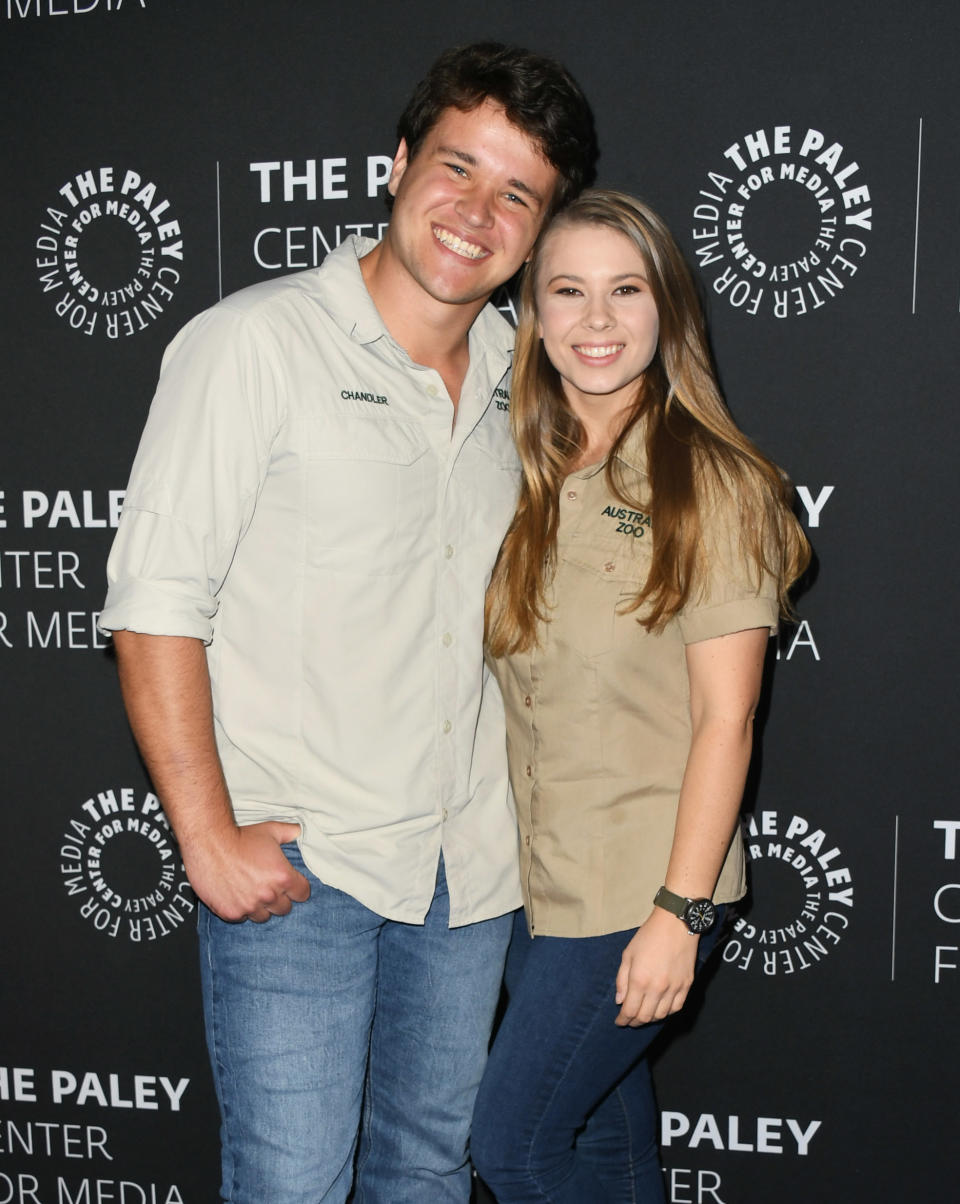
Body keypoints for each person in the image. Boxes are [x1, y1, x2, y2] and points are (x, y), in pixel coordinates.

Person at [98, 43, 597, 1204]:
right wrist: (207, 836)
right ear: (395, 165)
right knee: (291, 1185)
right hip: (304, 869)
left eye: (516, 193)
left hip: (468, 873)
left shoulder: (532, 381)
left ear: (541, 229)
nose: (477, 213)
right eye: (456, 168)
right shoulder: (254, 346)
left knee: (424, 1174)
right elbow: (155, 605)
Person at [471, 190, 811, 1202]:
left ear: (668, 309)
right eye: (567, 292)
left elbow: (727, 720)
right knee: (610, 1149)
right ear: (533, 311)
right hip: (532, 889)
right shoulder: (516, 472)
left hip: (638, 891)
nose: (598, 321)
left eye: (626, 291)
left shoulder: (711, 480)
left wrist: (678, 912)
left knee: (514, 1147)